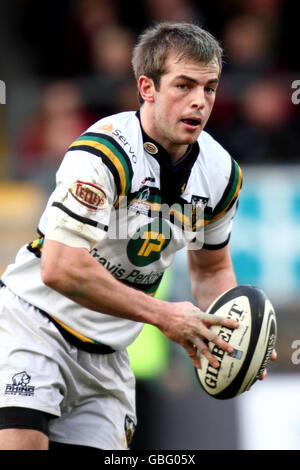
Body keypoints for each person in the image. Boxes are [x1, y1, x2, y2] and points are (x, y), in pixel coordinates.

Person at [0, 22, 271, 451]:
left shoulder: (221, 174)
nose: (199, 101)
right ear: (147, 87)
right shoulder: (101, 154)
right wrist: (164, 316)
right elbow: (60, 268)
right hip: (33, 323)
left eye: (210, 87)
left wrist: (231, 335)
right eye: (183, 85)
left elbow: (212, 268)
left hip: (108, 354)